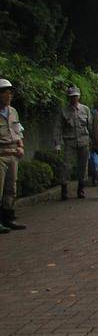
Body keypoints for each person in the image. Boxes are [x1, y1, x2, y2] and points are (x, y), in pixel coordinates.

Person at [54, 86, 92, 200]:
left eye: (76, 96)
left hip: (84, 141)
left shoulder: (85, 110)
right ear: (68, 98)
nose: (74, 99)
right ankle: (64, 188)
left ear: (79, 97)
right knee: (66, 166)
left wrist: (94, 141)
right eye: (72, 97)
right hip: (69, 141)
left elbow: (90, 125)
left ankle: (81, 188)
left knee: (83, 166)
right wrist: (57, 144)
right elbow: (58, 128)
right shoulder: (64, 111)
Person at [0, 78, 27, 233]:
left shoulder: (13, 111)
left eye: (10, 93)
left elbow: (19, 131)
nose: (9, 96)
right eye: (5, 93)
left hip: (13, 153)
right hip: (1, 153)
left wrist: (21, 146)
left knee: (11, 187)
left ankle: (8, 217)